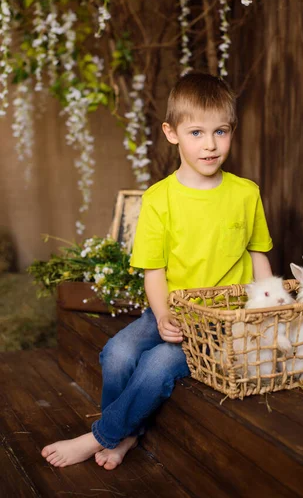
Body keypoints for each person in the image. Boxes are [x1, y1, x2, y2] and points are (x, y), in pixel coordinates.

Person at [41, 71, 273, 470]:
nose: (211, 144)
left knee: (157, 364)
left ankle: (104, 435)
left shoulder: (245, 193)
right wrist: (163, 314)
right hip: (170, 310)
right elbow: (154, 271)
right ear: (172, 133)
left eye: (221, 132)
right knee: (117, 353)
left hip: (222, 322)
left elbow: (259, 256)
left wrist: (269, 311)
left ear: (232, 131)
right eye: (197, 132)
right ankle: (126, 433)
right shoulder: (158, 199)